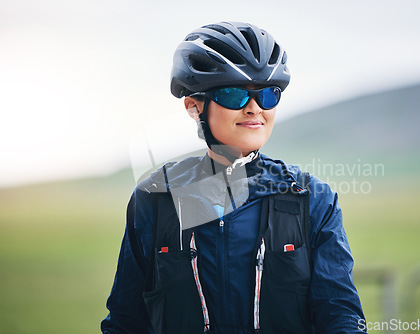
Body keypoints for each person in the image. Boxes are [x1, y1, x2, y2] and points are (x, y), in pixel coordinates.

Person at [101, 21, 366, 334]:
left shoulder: (311, 198)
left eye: (268, 95)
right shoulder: (155, 198)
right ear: (193, 106)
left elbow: (341, 317)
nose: (254, 108)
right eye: (233, 94)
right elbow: (126, 321)